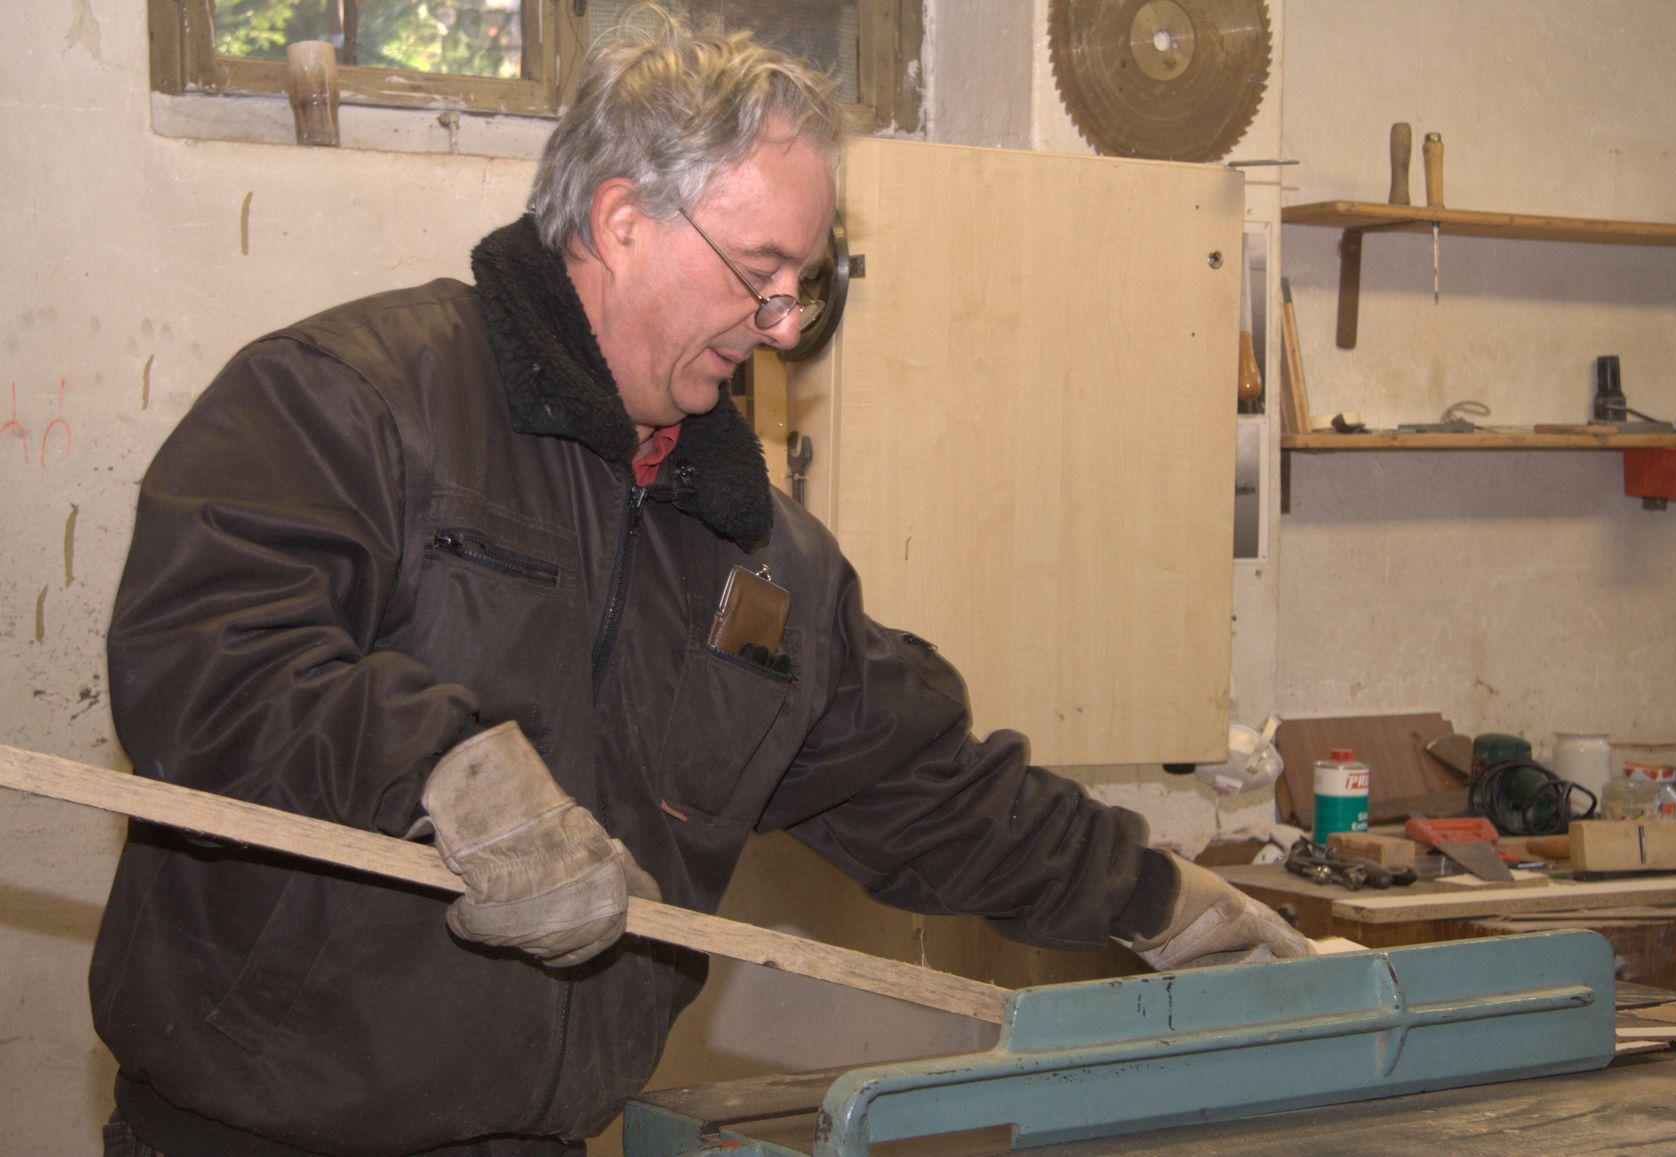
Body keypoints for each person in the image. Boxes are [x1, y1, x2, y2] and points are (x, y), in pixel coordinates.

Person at [91, 6, 1310, 1155]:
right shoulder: (350, 400)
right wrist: (440, 770)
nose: (782, 325)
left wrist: (1156, 895)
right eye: (759, 271)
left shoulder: (762, 557)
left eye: (802, 283)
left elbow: (925, 783)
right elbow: (207, 659)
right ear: (622, 220)